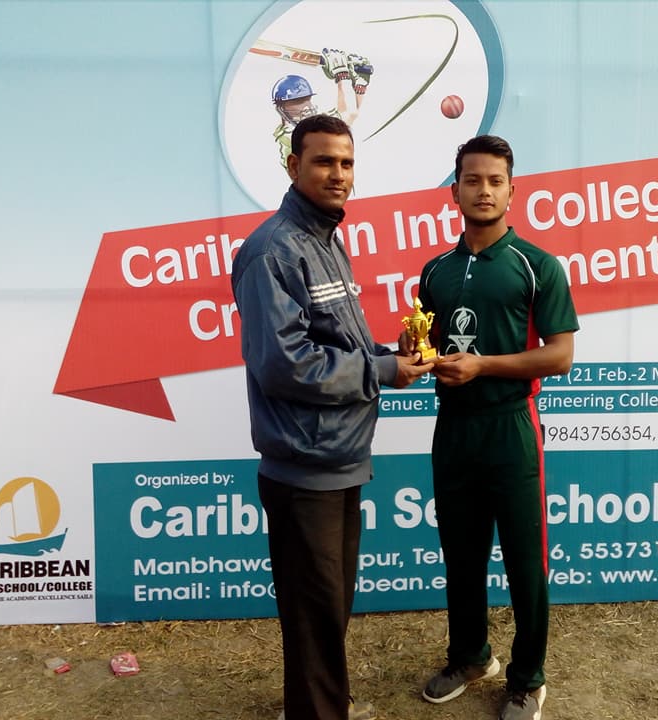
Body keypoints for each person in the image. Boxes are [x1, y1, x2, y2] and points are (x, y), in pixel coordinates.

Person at [231, 113, 431, 720]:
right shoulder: (272, 251)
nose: (337, 174)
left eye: (346, 163)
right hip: (303, 471)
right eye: (323, 161)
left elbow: (335, 345)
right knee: (316, 616)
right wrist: (383, 372)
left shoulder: (325, 240)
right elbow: (286, 366)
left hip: (341, 460)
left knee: (328, 611)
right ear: (293, 166)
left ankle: (319, 704)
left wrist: (389, 355)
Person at [409, 135, 579, 720]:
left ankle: (528, 677)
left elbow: (559, 356)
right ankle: (469, 656)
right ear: (454, 189)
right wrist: (415, 361)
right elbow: (425, 348)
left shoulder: (538, 266)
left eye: (495, 181)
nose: (483, 190)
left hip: (511, 427)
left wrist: (484, 366)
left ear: (511, 188)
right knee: (460, 553)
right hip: (453, 428)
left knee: (525, 563)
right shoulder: (434, 271)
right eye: (472, 180)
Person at [271, 48, 372, 168]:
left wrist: (359, 84)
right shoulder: (290, 136)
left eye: (306, 100)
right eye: (297, 102)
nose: (305, 108)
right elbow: (347, 115)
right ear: (281, 109)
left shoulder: (313, 126)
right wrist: (341, 74)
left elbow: (351, 113)